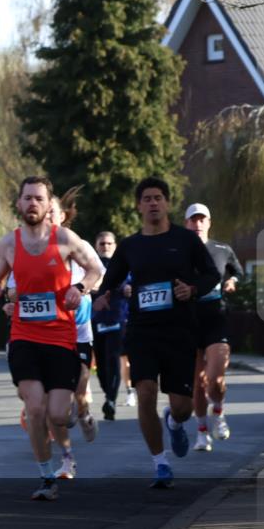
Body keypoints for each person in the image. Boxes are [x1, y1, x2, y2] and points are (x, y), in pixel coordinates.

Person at [93, 178, 219, 488]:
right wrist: (103, 295)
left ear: (167, 203)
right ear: (139, 206)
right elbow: (111, 279)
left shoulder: (186, 240)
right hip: (142, 331)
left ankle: (174, 422)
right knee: (146, 393)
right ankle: (160, 464)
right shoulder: (130, 246)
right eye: (147, 198)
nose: (153, 203)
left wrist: (192, 289)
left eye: (158, 197)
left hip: (179, 330)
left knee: (183, 407)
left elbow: (211, 274)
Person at [0, 176, 102, 501]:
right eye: (27, 198)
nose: (32, 203)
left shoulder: (65, 238)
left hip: (61, 338)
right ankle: (47, 477)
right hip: (24, 336)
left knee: (58, 415)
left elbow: (95, 269)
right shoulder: (8, 243)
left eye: (39, 198)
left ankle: (75, 411)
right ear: (19, 203)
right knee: (35, 408)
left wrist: (80, 288)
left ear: (49, 205)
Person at [184, 203, 243, 451]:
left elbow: (237, 271)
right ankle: (201, 433)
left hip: (215, 318)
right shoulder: (178, 250)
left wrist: (232, 280)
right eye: (193, 220)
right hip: (188, 321)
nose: (197, 224)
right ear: (186, 223)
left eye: (202, 219)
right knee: (198, 383)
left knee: (216, 378)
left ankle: (218, 411)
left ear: (209, 223)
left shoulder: (222, 249)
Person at [90, 231, 130, 421]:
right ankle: (108, 393)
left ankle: (111, 400)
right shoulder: (91, 265)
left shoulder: (124, 264)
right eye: (102, 244)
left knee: (113, 359)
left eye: (109, 243)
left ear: (115, 245)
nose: (105, 247)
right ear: (96, 246)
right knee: (101, 364)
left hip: (117, 319)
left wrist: (128, 288)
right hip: (97, 319)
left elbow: (132, 283)